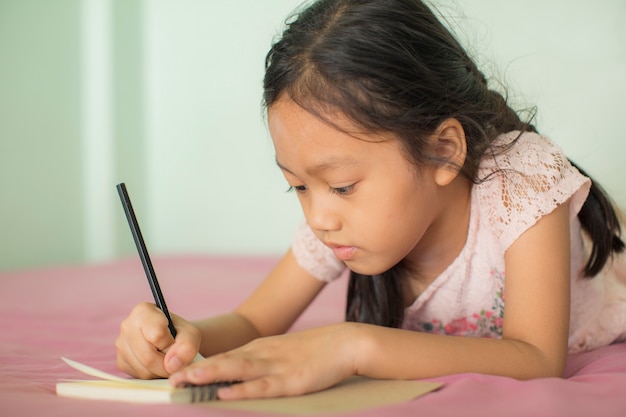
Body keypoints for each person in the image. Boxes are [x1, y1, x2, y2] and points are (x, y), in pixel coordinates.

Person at [115, 0, 626, 400]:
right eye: (298, 187)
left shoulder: (520, 179)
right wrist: (184, 338)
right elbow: (252, 323)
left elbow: (536, 358)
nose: (319, 217)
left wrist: (352, 345)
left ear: (443, 152)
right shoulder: (341, 226)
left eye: (341, 186)